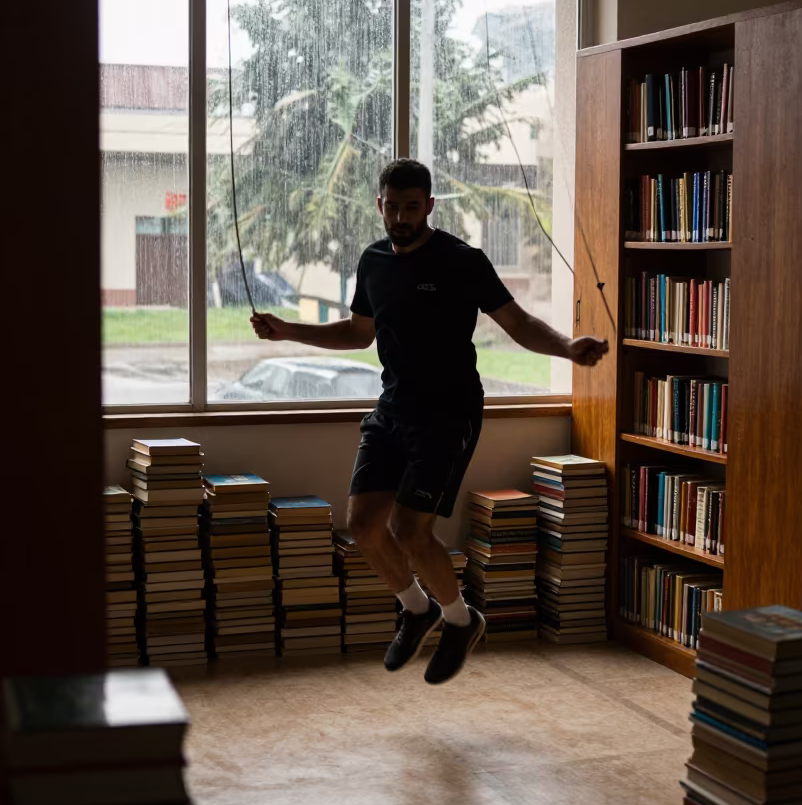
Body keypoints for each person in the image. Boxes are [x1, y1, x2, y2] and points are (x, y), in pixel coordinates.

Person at [252, 158, 608, 684]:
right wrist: (288, 331)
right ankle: (417, 609)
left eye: (411, 207)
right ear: (379, 205)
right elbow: (358, 334)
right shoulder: (373, 261)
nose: (400, 217)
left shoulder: (462, 261)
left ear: (430, 206)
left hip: (448, 413)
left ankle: (461, 621)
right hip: (392, 408)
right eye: (391, 207)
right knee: (365, 525)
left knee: (410, 532)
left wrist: (566, 348)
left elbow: (518, 322)